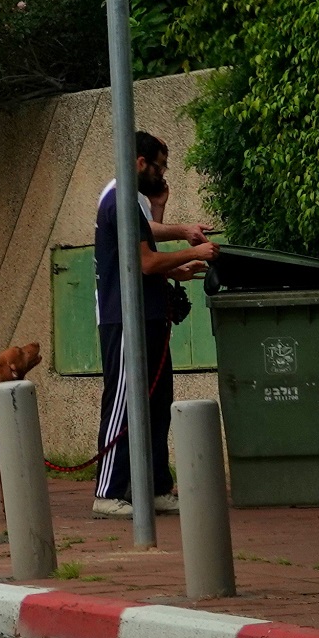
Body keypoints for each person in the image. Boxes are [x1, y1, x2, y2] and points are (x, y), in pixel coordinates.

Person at [93, 130, 216, 518]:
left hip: (148, 312)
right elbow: (144, 261)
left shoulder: (136, 203)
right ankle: (108, 491)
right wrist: (193, 249)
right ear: (140, 163)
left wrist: (175, 262)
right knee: (123, 401)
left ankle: (155, 485)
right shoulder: (120, 201)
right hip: (125, 317)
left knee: (157, 402)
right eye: (159, 167)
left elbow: (147, 253)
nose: (162, 175)